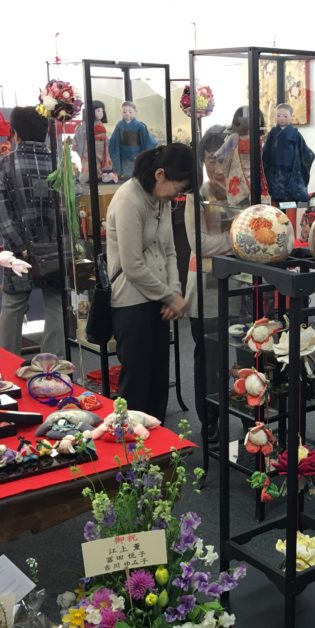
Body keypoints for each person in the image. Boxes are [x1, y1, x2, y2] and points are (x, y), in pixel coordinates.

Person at [106, 144, 195, 422]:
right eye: (178, 188)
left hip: (158, 300)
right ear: (160, 174)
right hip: (131, 304)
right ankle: (131, 448)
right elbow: (132, 265)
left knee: (158, 385)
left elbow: (170, 251)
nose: (176, 196)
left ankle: (158, 446)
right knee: (136, 388)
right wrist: (170, 296)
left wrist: (174, 291)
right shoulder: (128, 200)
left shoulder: (161, 201)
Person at [0, 105, 66, 359]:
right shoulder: (59, 164)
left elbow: (3, 216)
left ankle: (8, 366)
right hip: (55, 249)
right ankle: (51, 367)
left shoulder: (4, 165)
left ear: (16, 133)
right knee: (56, 304)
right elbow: (68, 210)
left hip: (19, 251)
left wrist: (21, 249)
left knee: (13, 304)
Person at [184, 125, 238, 443]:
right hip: (206, 288)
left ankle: (253, 421)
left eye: (222, 159)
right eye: (209, 160)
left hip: (240, 288)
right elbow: (199, 244)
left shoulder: (242, 193)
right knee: (209, 360)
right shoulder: (198, 196)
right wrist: (238, 239)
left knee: (247, 354)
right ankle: (210, 422)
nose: (216, 167)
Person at [262, 103, 315, 202]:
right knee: (275, 196)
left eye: (285, 116)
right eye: (278, 116)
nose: (281, 118)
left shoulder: (295, 133)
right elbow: (266, 151)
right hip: (275, 171)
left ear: (291, 117)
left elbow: (305, 151)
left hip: (290, 171)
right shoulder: (272, 133)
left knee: (290, 196)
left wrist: (303, 161)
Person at [108, 101, 157, 181]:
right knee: (125, 177)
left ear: (135, 112)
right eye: (124, 112)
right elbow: (114, 142)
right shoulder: (119, 125)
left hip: (137, 155)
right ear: (121, 112)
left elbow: (148, 143)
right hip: (123, 156)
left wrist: (144, 157)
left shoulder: (140, 126)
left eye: (130, 112)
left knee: (135, 176)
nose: (127, 114)